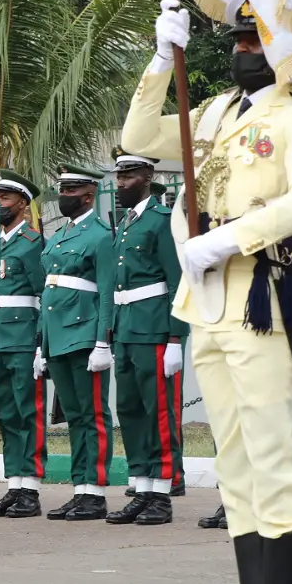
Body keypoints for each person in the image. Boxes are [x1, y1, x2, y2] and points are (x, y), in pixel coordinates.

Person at [121, 0, 292, 584]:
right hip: (207, 302)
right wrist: (160, 60)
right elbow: (137, 137)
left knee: (272, 459)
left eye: (256, 39)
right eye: (238, 38)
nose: (243, 49)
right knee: (235, 461)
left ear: (283, 50)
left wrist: (227, 239)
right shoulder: (213, 112)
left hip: (262, 291)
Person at [107, 154, 187, 526]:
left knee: (159, 412)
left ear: (147, 177)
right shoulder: (125, 224)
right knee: (130, 410)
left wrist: (175, 337)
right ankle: (142, 487)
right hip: (126, 327)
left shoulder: (162, 220)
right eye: (119, 177)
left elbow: (178, 281)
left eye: (129, 176)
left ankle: (162, 492)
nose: (121, 183)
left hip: (154, 327)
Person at [37, 168, 115, 522]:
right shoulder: (59, 235)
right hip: (58, 336)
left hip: (84, 334)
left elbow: (106, 293)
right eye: (62, 189)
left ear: (89, 195)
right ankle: (80, 488)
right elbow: (49, 291)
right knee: (74, 417)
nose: (64, 194)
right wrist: (42, 344)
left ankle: (95, 491)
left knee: (92, 414)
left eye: (71, 190)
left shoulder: (100, 235)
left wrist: (102, 341)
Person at [0, 171, 47, 519]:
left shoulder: (32, 242)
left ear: (23, 203)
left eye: (5, 199)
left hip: (24, 339)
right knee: (6, 414)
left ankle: (31, 489)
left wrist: (41, 344)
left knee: (27, 412)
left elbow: (43, 294)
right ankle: (14, 484)